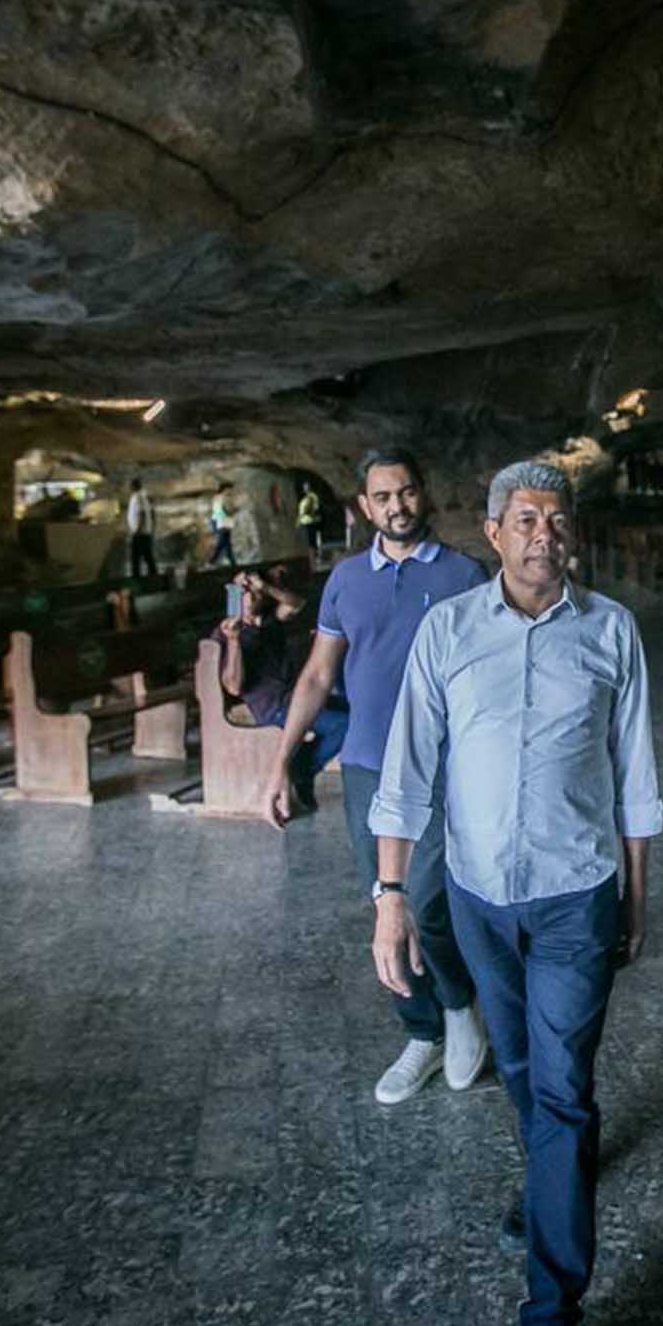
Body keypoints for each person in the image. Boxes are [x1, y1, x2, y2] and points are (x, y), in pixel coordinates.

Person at [372, 460, 661, 1326]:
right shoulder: (450, 629)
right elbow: (406, 769)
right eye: (526, 520)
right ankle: (549, 1179)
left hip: (578, 891)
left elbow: (635, 773)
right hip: (479, 895)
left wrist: (637, 896)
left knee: (564, 1085)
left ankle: (553, 1301)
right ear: (494, 533)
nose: (545, 534)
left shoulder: (611, 629)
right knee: (525, 1068)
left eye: (558, 519)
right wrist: (391, 895)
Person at [262, 450, 490, 1104]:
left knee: (426, 898)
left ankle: (460, 1005)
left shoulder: (464, 574)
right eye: (383, 497)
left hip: (444, 763)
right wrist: (280, 763)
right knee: (386, 902)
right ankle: (423, 1031)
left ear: (424, 495)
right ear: (364, 507)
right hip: (367, 763)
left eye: (407, 492)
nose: (397, 506)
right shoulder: (346, 579)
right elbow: (317, 674)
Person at [216, 570, 348, 786]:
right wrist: (234, 641)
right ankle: (301, 770)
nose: (249, 597)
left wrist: (264, 586)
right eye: (242, 592)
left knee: (357, 712)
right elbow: (234, 687)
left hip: (297, 699)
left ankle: (298, 764)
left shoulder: (269, 621)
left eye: (253, 592)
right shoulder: (225, 633)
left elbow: (296, 604)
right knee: (343, 725)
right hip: (273, 708)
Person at [125, 478, 158, 579]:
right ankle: (153, 575)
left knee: (136, 556)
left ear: (133, 486)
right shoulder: (144, 496)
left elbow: (141, 514)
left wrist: (137, 530)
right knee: (147, 554)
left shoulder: (137, 497)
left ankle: (137, 578)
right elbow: (152, 513)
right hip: (145, 531)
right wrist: (152, 528)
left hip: (140, 532)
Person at [207, 487, 237, 566]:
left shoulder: (227, 498)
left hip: (226, 521)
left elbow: (230, 510)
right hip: (220, 521)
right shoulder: (218, 498)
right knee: (223, 541)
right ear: (222, 490)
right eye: (227, 491)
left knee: (226, 542)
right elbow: (218, 512)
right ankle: (214, 559)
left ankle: (231, 561)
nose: (229, 492)